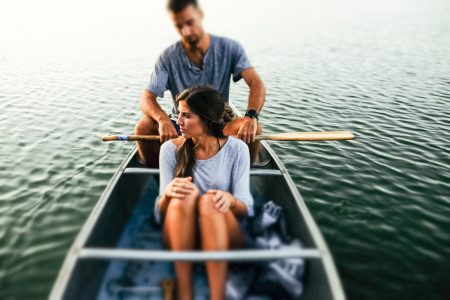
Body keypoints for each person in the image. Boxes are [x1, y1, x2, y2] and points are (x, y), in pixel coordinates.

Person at [135, 0, 265, 167]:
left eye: (190, 22)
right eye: (179, 26)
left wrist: (251, 116)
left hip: (219, 123)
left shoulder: (230, 48)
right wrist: (162, 120)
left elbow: (256, 83)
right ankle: (161, 179)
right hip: (182, 123)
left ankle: (245, 176)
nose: (186, 31)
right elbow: (147, 96)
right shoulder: (167, 57)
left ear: (200, 15)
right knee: (143, 128)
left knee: (254, 128)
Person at [155, 86, 254, 300]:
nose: (178, 121)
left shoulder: (237, 149)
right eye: (177, 114)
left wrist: (230, 200)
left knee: (211, 201)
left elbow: (246, 207)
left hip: (224, 234)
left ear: (207, 119)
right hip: (180, 236)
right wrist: (168, 193)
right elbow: (160, 211)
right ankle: (185, 293)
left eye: (186, 116)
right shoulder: (170, 150)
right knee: (184, 195)